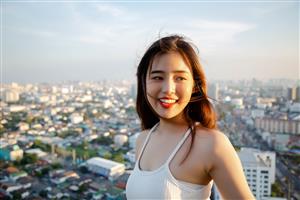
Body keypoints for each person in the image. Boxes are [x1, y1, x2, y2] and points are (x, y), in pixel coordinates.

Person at [126, 35, 254, 200]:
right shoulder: (143, 139)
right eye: (157, 77)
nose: (168, 89)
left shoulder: (212, 145)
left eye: (180, 78)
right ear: (143, 83)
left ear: (194, 85)